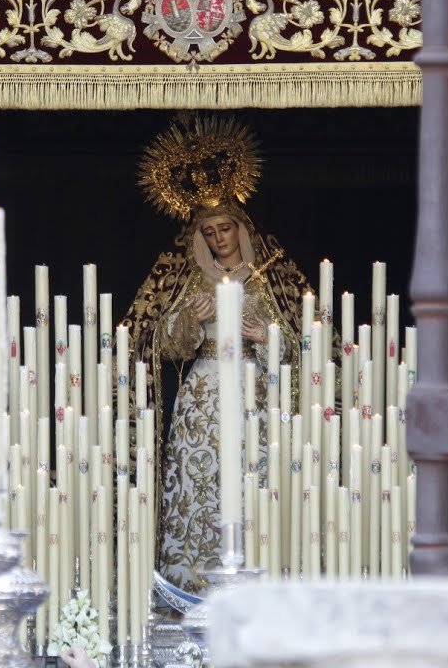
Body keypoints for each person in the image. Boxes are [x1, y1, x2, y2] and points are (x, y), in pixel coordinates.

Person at [124, 117, 312, 592]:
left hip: (252, 396)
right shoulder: (190, 282)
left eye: (224, 228)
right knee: (198, 487)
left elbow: (298, 342)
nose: (217, 239)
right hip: (203, 397)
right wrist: (190, 319)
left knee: (252, 482)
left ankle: (259, 579)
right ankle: (192, 584)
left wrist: (264, 335)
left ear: (240, 227)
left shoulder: (266, 279)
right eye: (208, 232)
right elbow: (162, 343)